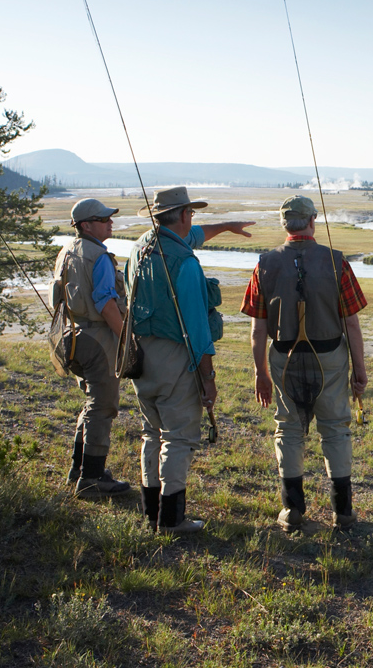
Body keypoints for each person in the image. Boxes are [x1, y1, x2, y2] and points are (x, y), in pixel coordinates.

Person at [127, 186, 254, 533]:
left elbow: (194, 236)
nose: (193, 220)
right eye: (191, 214)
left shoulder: (140, 248)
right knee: (179, 437)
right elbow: (198, 330)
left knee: (151, 433)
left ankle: (151, 512)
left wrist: (227, 226)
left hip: (140, 355)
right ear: (183, 215)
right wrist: (207, 379)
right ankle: (171, 520)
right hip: (174, 358)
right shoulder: (184, 264)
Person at [242, 195, 368, 532]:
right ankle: (343, 513)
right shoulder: (337, 262)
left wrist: (260, 372)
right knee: (336, 429)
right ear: (312, 221)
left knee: (289, 429)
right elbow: (351, 323)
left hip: (283, 357)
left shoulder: (264, 264)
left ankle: (292, 510)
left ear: (285, 224)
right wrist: (360, 371)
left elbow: (257, 327)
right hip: (330, 358)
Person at [52, 198, 130, 495]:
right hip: (98, 339)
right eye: (103, 218)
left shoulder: (67, 251)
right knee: (103, 406)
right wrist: (126, 340)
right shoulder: (98, 256)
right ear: (86, 225)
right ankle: (92, 478)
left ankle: (79, 468)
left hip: (71, 336)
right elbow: (106, 304)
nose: (111, 222)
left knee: (91, 403)